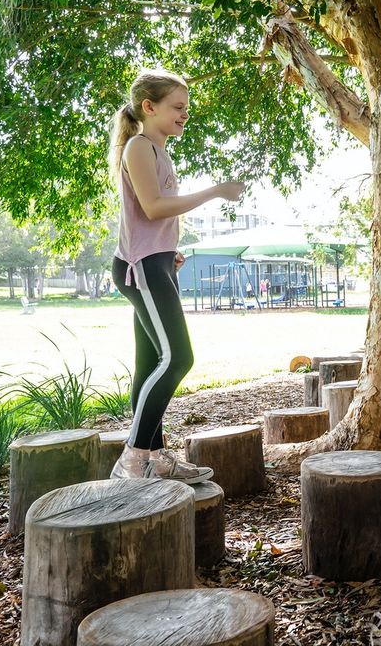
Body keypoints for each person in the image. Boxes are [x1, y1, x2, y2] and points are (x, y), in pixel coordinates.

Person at [108, 69, 246, 483]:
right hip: (140, 268)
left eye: (187, 108)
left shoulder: (158, 149)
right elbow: (152, 207)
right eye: (178, 107)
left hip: (158, 263)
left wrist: (169, 252)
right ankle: (133, 459)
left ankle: (155, 456)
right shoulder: (139, 146)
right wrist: (216, 191)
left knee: (150, 363)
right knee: (178, 358)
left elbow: (151, 218)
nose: (185, 114)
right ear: (149, 108)